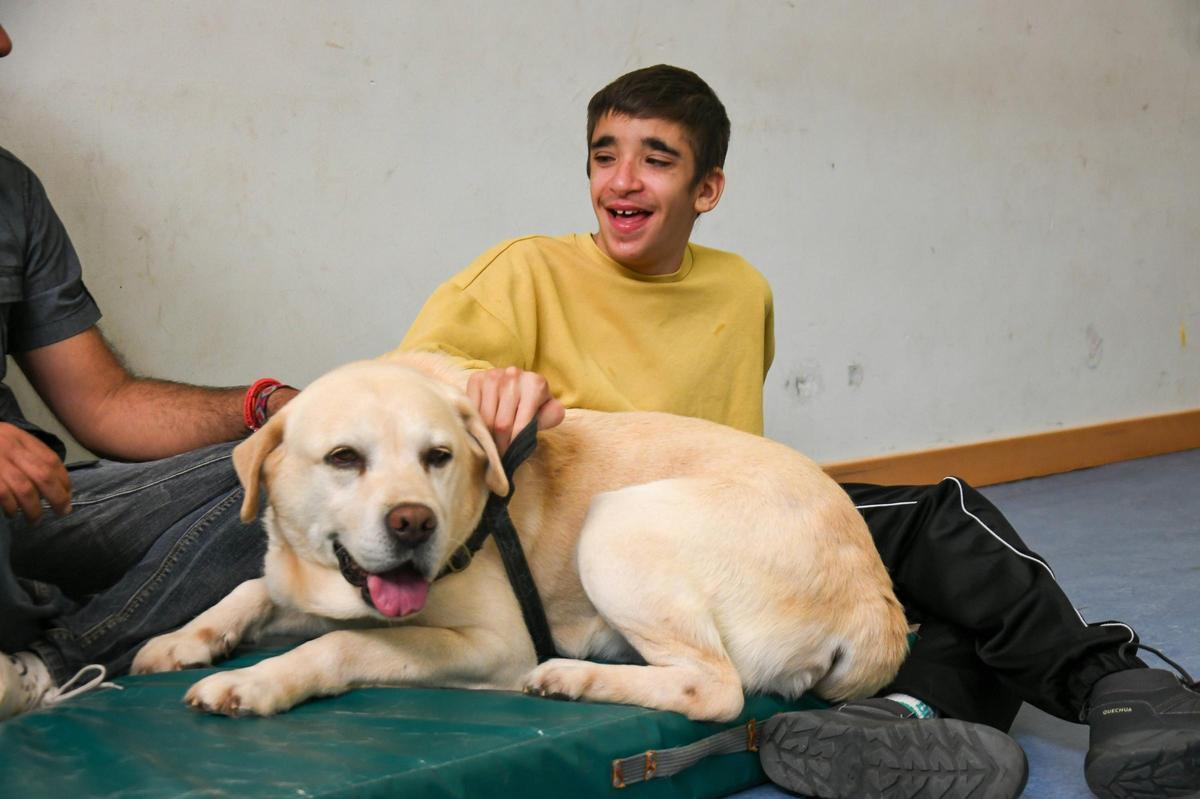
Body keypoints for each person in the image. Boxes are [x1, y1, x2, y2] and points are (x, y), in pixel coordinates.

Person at [395, 64, 1200, 799]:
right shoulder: (522, 270)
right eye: (604, 157)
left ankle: (905, 715)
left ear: (707, 188)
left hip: (719, 520)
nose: (623, 180)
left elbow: (733, 449)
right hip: (599, 533)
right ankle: (1107, 683)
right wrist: (488, 392)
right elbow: (404, 392)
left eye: (657, 159)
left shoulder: (743, 290)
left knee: (934, 589)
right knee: (938, 516)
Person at [0, 23, 297, 721]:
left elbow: (105, 402)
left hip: (33, 506)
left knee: (297, 475)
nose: (7, 43)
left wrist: (267, 408)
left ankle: (44, 666)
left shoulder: (11, 190)